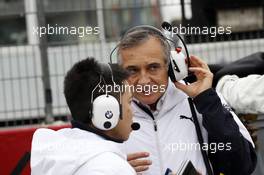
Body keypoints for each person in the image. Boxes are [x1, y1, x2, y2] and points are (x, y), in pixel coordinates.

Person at [116, 26, 257, 175]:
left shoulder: (205, 101)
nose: (144, 81)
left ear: (171, 67)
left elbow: (242, 165)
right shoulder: (109, 113)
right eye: (132, 70)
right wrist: (114, 168)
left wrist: (207, 102)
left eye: (153, 67)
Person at [30, 58, 136, 175]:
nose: (132, 111)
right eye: (130, 102)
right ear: (107, 110)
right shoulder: (109, 167)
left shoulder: (57, 157)